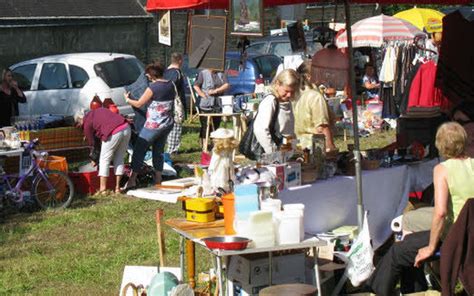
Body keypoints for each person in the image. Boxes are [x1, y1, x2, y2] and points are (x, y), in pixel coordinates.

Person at [368, 122, 474, 295]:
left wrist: (431, 247)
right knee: (409, 245)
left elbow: (440, 213)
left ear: (440, 145)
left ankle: (377, 291)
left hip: (455, 236)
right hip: (470, 235)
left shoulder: (443, 169)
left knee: (398, 251)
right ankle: (415, 291)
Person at [123, 62, 175, 189]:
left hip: (153, 125)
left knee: (139, 150)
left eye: (148, 74)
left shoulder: (153, 88)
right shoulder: (171, 84)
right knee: (158, 151)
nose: (146, 75)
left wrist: (127, 99)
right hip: (167, 124)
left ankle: (132, 179)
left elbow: (139, 104)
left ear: (152, 75)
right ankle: (158, 178)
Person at [74, 108, 131, 194]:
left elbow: (93, 144)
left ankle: (103, 189)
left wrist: (94, 158)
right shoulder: (97, 111)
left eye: (78, 124)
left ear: (80, 119)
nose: (79, 126)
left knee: (104, 160)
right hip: (126, 127)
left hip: (113, 132)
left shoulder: (86, 122)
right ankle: (117, 188)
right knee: (119, 158)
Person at [253, 69, 299, 154]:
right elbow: (260, 130)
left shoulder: (287, 102)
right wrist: (273, 153)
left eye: (292, 92)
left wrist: (294, 148)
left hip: (286, 152)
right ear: (277, 84)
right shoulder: (270, 101)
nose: (289, 95)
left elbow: (288, 131)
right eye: (286, 91)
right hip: (272, 156)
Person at [294, 61, 337, 152]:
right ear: (309, 77)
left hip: (296, 146)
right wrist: (330, 148)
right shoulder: (315, 96)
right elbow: (322, 127)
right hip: (314, 147)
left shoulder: (294, 93)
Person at [193, 68, 229, 149]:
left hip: (218, 103)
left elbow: (226, 84)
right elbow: (196, 86)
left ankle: (213, 144)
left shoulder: (221, 72)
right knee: (205, 125)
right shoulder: (202, 73)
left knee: (216, 124)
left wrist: (217, 90)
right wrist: (202, 95)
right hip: (205, 104)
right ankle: (204, 145)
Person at [164, 53, 186, 156]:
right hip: (175, 104)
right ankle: (172, 150)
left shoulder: (166, 72)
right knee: (175, 126)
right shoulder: (176, 73)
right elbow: (170, 86)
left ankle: (168, 148)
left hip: (165, 103)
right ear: (180, 60)